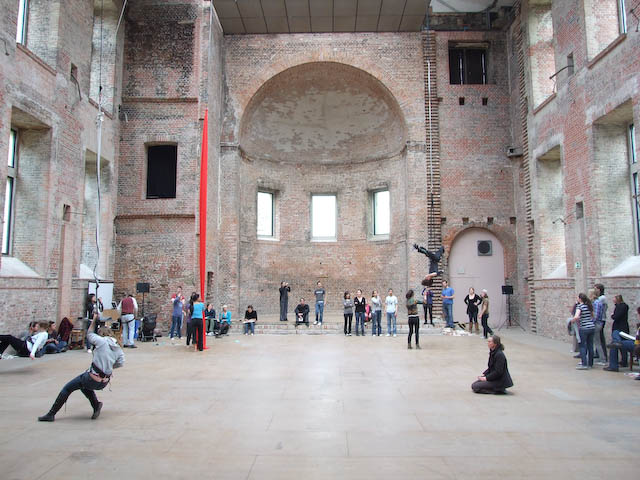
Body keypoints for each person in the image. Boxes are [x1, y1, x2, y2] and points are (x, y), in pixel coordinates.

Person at [38, 327, 125, 422]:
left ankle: (51, 414)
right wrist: (108, 367)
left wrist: (93, 320)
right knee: (83, 385)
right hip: (104, 382)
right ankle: (96, 405)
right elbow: (121, 363)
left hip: (91, 378)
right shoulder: (118, 347)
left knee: (67, 388)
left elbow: (89, 334)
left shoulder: (101, 341)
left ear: (101, 334)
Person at [603, 295, 631, 372]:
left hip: (619, 327)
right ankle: (624, 361)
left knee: (617, 344)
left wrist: (613, 315)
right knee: (622, 345)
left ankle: (621, 362)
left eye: (614, 298)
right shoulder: (623, 306)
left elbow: (616, 316)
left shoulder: (621, 307)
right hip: (624, 327)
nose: (613, 300)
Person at [573, 293, 595, 370]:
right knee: (590, 345)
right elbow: (593, 316)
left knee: (582, 346)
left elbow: (576, 316)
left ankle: (584, 364)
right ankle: (590, 363)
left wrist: (573, 320)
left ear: (580, 299)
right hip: (591, 327)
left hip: (584, 328)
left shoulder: (580, 306)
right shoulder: (589, 306)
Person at [594, 283, 608, 362]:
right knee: (598, 338)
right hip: (600, 319)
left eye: (595, 289)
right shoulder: (599, 299)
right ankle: (598, 353)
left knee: (600, 338)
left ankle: (603, 355)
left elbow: (598, 311)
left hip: (601, 320)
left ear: (599, 290)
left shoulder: (602, 298)